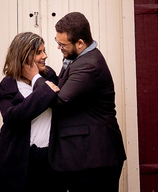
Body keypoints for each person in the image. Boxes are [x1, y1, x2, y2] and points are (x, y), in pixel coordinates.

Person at [49, 12, 127, 191]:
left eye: (62, 44)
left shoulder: (88, 65)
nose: (59, 48)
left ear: (80, 43)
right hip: (89, 156)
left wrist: (36, 79)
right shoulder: (78, 59)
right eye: (57, 42)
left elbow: (61, 99)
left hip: (96, 157)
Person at [0, 31, 62, 192]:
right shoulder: (7, 86)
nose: (45, 56)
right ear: (24, 55)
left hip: (49, 158)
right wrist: (44, 92)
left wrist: (35, 78)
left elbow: (57, 103)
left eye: (44, 50)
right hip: (17, 161)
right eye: (38, 52)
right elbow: (13, 117)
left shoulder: (50, 75)